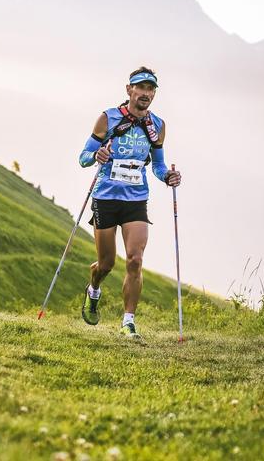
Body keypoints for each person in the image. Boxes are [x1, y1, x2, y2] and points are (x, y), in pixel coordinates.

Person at [78, 66, 181, 339]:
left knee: (135, 260)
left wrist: (167, 176)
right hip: (105, 197)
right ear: (129, 90)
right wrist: (96, 155)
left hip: (136, 198)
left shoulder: (157, 126)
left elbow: (157, 167)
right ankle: (94, 290)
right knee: (106, 264)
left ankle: (128, 322)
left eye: (151, 89)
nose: (146, 93)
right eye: (141, 87)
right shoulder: (108, 118)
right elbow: (83, 157)